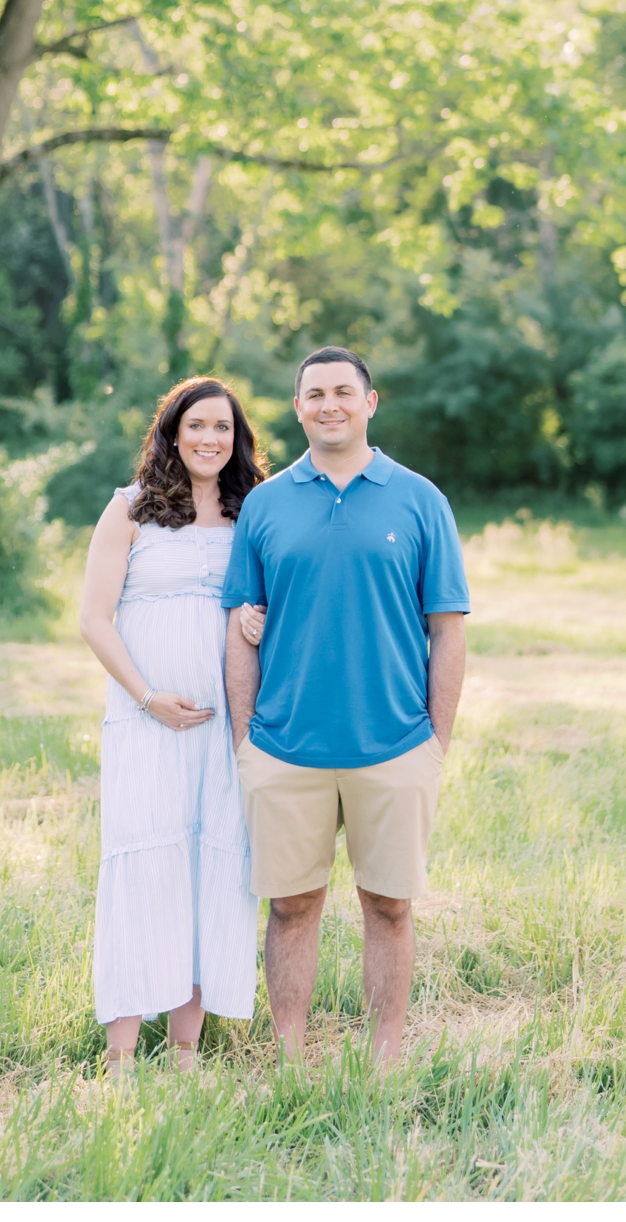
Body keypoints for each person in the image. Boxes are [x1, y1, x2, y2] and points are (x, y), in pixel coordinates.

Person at [222, 346, 469, 1065]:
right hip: (284, 747)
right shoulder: (266, 505)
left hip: (394, 745)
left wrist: (434, 745)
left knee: (389, 906)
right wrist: (246, 741)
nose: (329, 404)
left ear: (370, 402)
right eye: (313, 393)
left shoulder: (421, 500)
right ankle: (291, 1056)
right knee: (292, 906)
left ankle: (383, 1053)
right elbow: (241, 628)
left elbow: (448, 633)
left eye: (342, 391)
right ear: (297, 408)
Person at [79, 376, 269, 1079]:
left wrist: (256, 620)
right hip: (146, 722)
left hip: (224, 726)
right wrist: (146, 695)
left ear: (238, 438)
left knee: (209, 865)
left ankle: (186, 1048)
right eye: (196, 426)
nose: (209, 440)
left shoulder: (255, 512)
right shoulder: (129, 509)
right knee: (144, 864)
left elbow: (270, 602)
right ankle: (121, 1053)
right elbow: (95, 618)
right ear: (171, 432)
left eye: (222, 428)